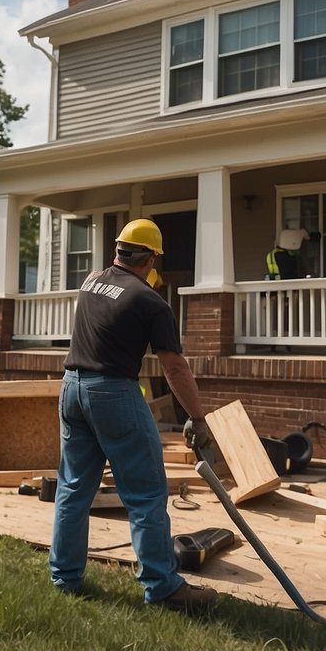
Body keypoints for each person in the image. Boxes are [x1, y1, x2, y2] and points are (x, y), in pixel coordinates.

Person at [50, 218, 219, 611]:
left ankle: (65, 578)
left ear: (118, 250)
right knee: (145, 494)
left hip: (71, 387)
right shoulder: (150, 302)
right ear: (151, 259)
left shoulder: (91, 282)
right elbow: (175, 368)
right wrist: (197, 417)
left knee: (73, 489)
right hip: (112, 393)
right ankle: (162, 588)